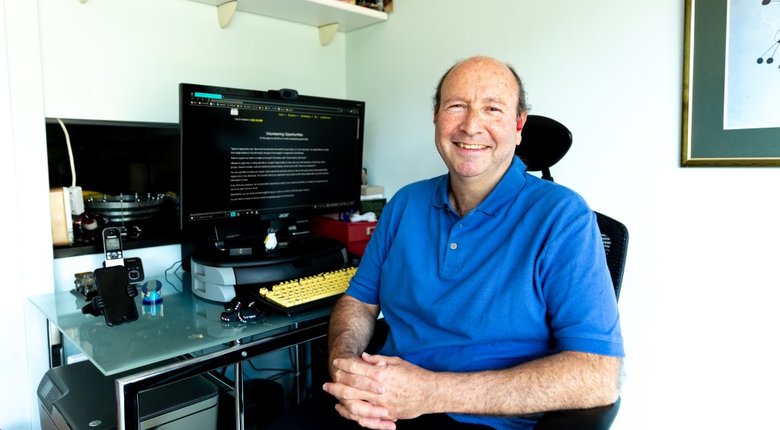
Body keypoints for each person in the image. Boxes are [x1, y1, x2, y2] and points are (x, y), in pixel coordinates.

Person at [322, 56, 624, 430]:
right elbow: (360, 301)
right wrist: (346, 367)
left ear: (518, 126)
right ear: (436, 118)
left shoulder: (563, 217)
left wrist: (429, 392)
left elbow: (598, 375)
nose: (471, 126)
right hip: (380, 407)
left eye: (492, 109)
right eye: (457, 106)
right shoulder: (404, 203)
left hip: (483, 420)